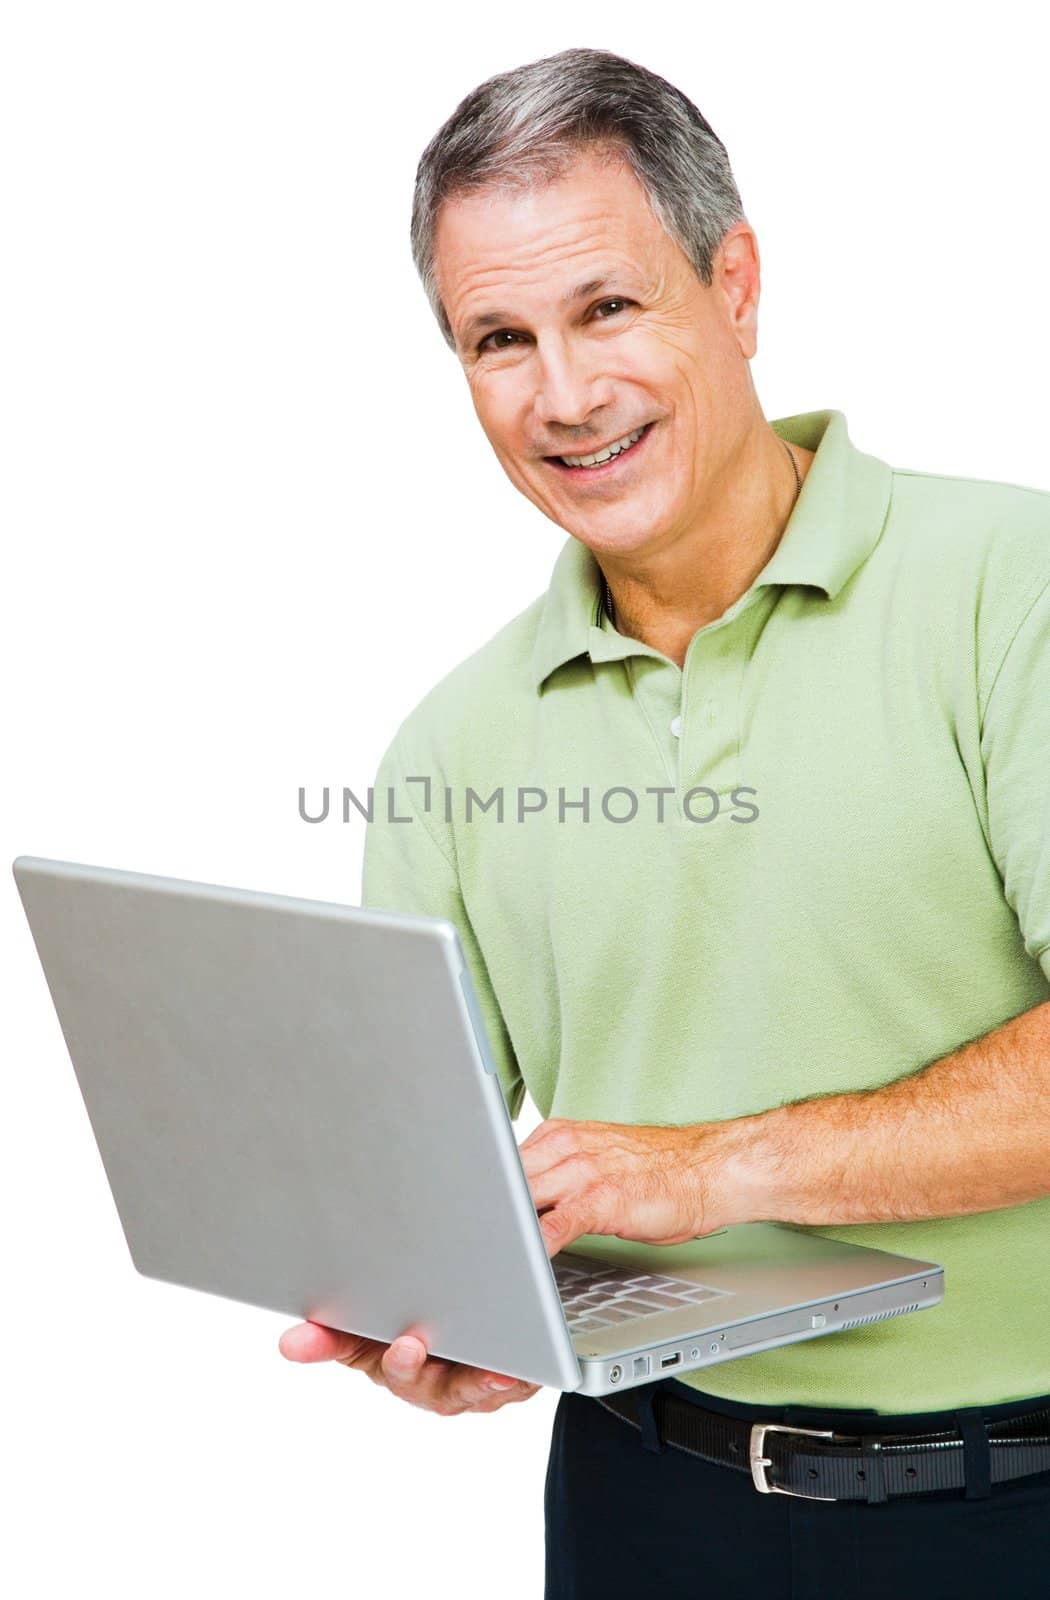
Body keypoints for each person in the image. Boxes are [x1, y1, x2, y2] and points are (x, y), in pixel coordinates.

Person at [279, 46, 1050, 1596]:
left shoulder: (1007, 591)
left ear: (736, 285)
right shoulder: (450, 743)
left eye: (607, 308)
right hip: (643, 1501)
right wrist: (432, 1320)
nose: (563, 397)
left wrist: (715, 1169)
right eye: (500, 339)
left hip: (1012, 1500)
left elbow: (679, 1173)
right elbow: (415, 1168)